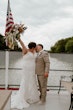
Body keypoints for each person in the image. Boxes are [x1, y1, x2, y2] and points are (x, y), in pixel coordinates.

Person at [11, 38, 39, 109]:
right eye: (34, 47)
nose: (35, 48)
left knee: (32, 81)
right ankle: (24, 97)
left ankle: (31, 96)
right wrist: (18, 38)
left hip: (32, 69)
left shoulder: (35, 51)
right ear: (32, 47)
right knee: (25, 81)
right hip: (26, 69)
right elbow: (22, 44)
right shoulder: (25, 50)